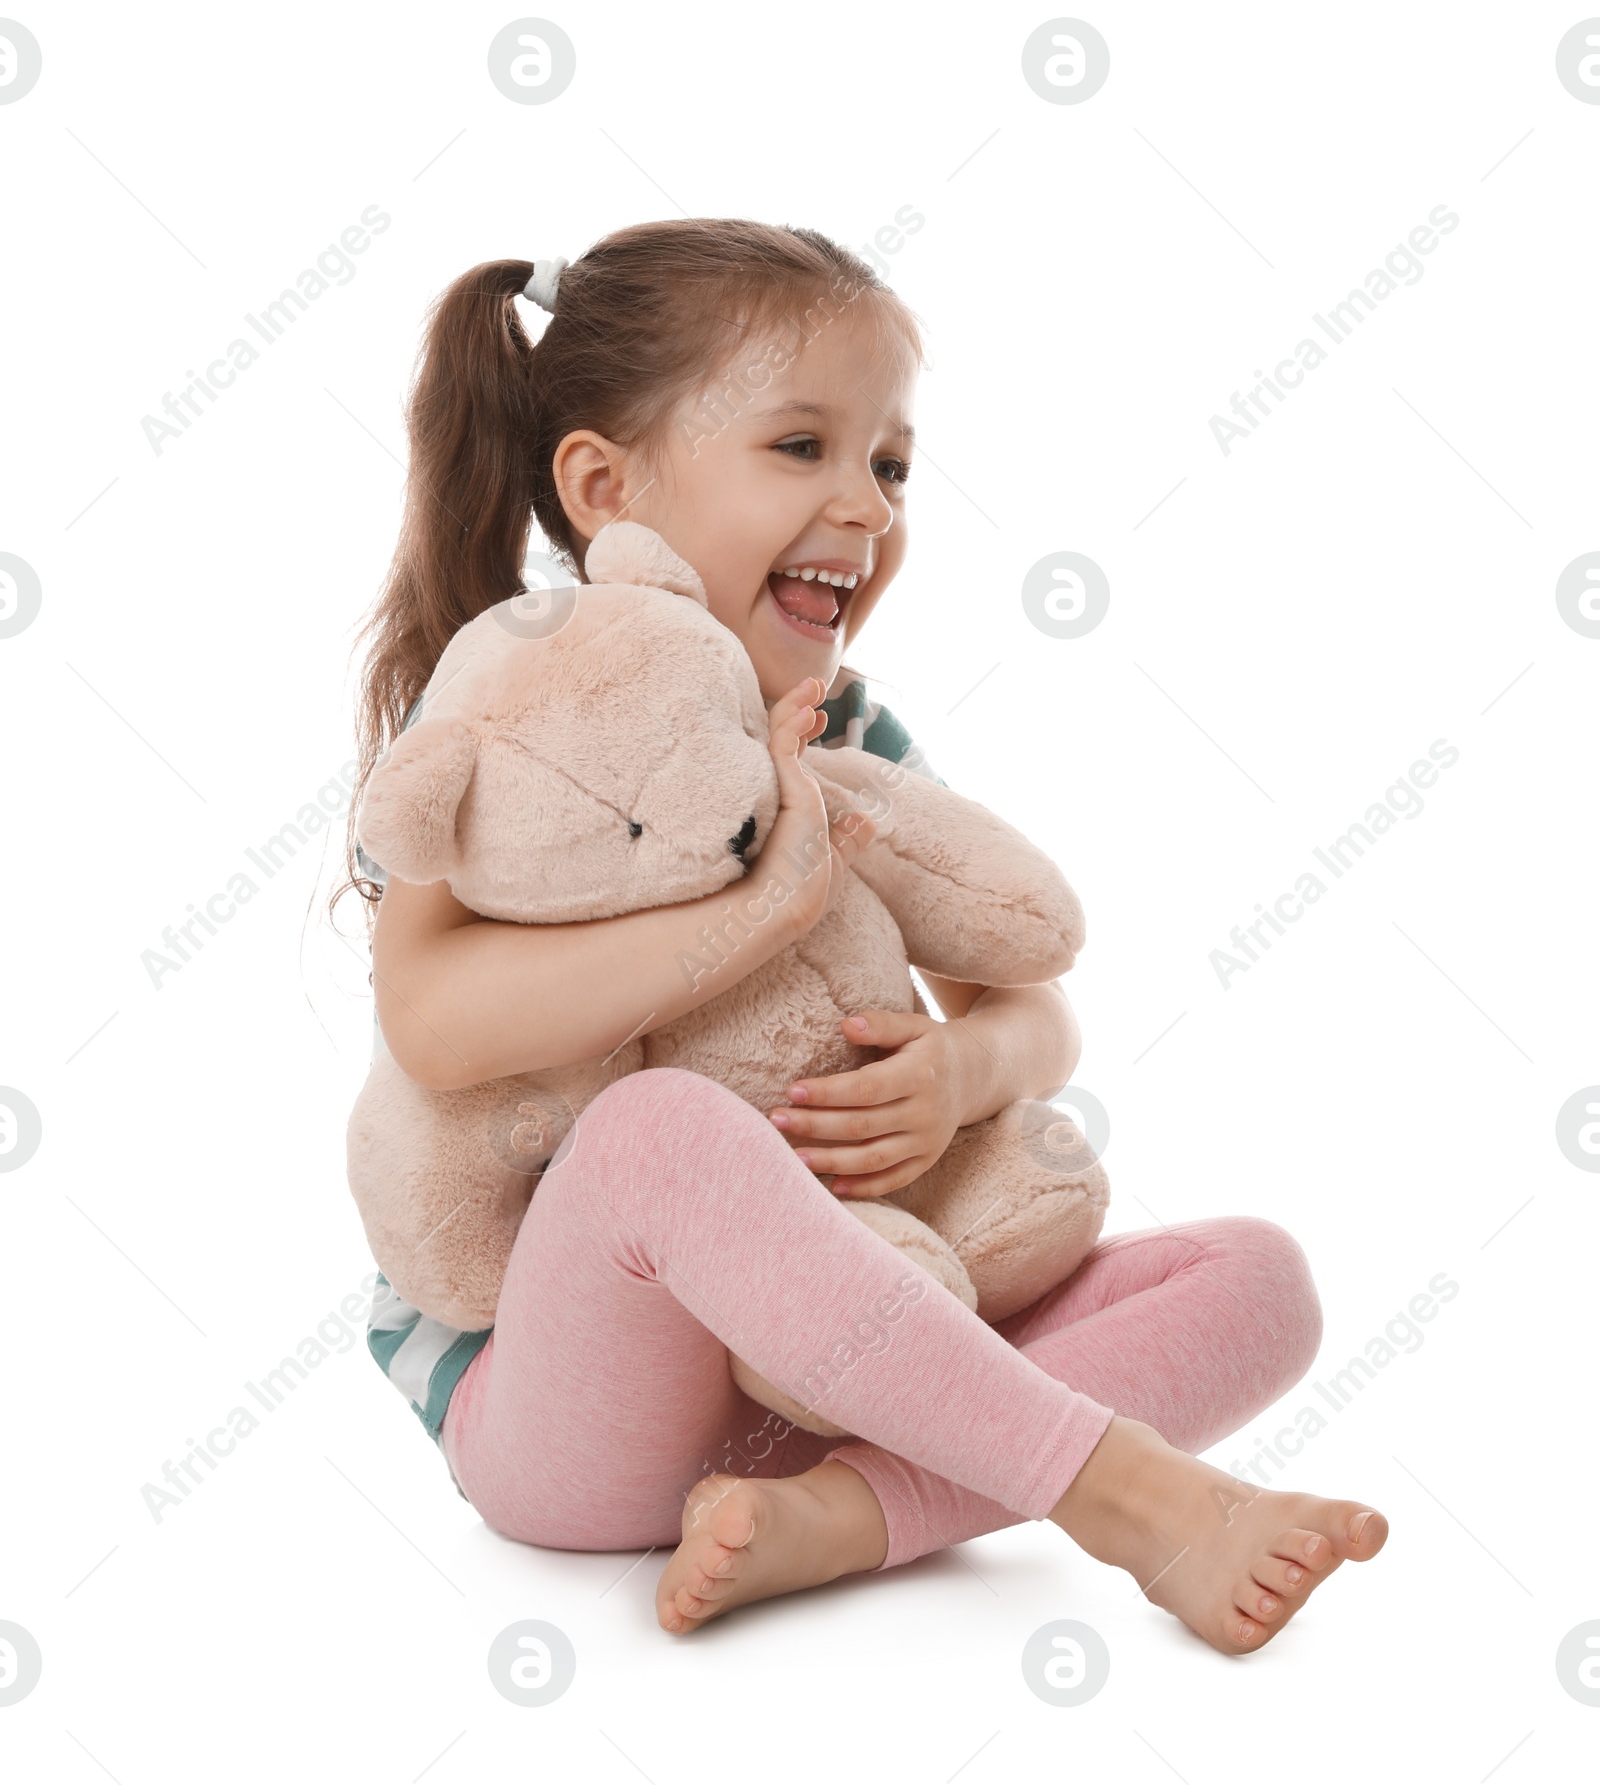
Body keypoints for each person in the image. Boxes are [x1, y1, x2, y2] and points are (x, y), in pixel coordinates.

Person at [344, 221, 1386, 1656]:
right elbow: (433, 1020)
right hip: (579, 1407)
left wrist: (960, 1075)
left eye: (889, 465)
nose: (868, 507)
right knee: (659, 1133)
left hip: (848, 1367)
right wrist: (755, 906)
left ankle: (848, 1513)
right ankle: (1130, 1496)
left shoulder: (857, 733)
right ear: (605, 487)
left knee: (1258, 1278)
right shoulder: (514, 710)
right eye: (800, 448)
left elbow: (1034, 1006)